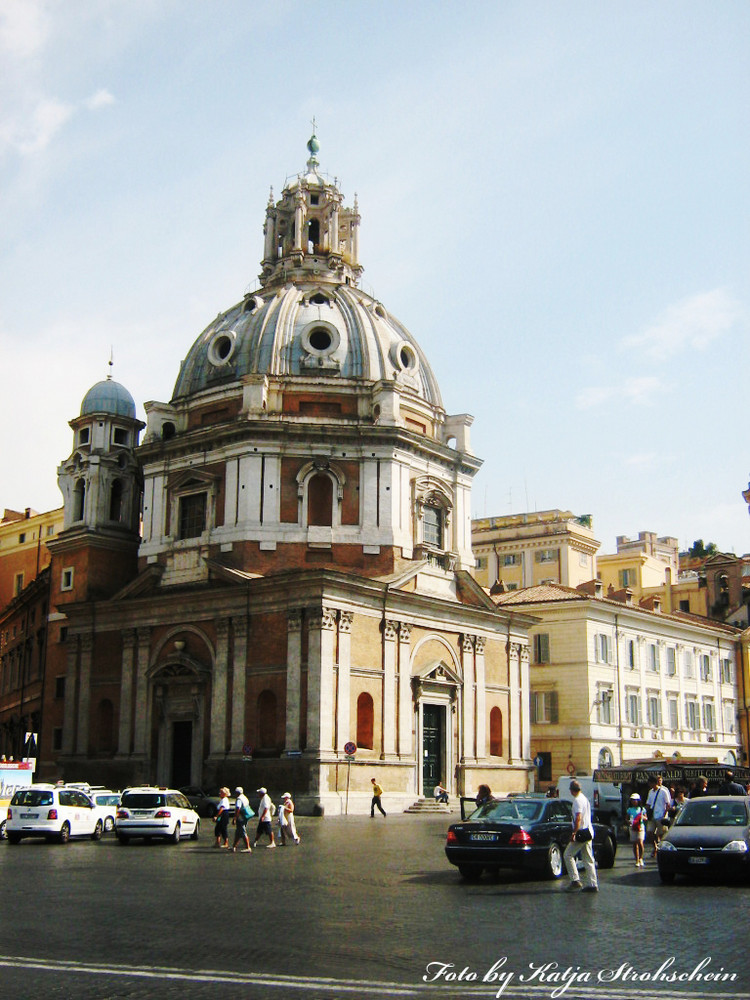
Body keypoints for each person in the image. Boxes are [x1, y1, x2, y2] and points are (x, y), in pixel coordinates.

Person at [562, 780, 598, 893]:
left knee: (567, 855)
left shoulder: (577, 801)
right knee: (588, 859)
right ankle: (593, 884)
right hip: (589, 831)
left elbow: (578, 817)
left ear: (572, 790)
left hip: (581, 833)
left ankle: (575, 880)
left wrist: (574, 833)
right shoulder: (584, 799)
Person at [646, 775, 672, 857]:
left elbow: (668, 804)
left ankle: (662, 850)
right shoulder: (650, 792)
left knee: (661, 834)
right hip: (652, 815)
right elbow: (648, 804)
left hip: (660, 816)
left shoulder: (663, 791)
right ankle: (655, 847)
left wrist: (664, 815)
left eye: (650, 783)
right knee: (649, 832)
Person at [626, 793, 647, 868]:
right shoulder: (629, 810)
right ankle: (637, 859)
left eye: (635, 800)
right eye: (632, 800)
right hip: (633, 827)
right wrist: (628, 821)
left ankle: (641, 858)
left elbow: (646, 818)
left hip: (640, 827)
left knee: (640, 842)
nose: (634, 802)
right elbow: (627, 818)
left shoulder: (642, 809)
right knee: (635, 844)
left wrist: (642, 817)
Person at [232, 786, 252, 853]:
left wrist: (235, 818)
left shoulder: (239, 799)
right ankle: (234, 846)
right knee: (238, 832)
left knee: (243, 831)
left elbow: (238, 808)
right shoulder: (244, 797)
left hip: (241, 817)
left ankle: (248, 847)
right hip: (245, 816)